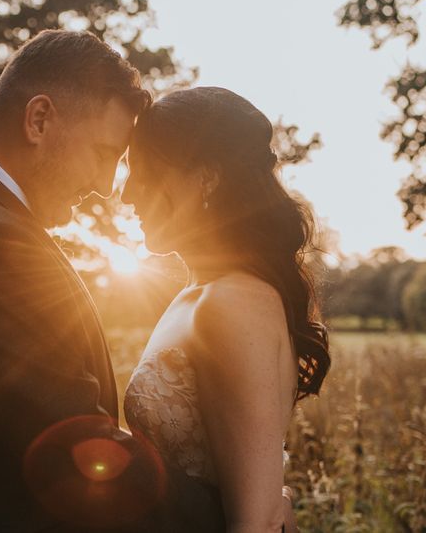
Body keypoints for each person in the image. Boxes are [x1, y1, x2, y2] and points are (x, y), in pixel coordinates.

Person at [0, 30, 227, 532]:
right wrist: (237, 514)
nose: (106, 188)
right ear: (39, 119)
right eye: (105, 154)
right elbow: (80, 451)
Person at [122, 87, 331, 532]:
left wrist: (277, 503)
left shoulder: (233, 303)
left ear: (206, 178)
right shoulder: (199, 294)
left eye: (142, 173)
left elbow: (254, 524)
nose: (126, 195)